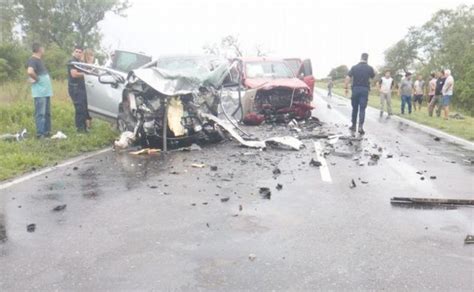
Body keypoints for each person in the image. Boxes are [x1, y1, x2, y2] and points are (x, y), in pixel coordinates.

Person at [26, 43, 53, 139]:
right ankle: (40, 134)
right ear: (39, 49)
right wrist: (37, 79)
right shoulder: (33, 60)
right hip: (40, 92)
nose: (44, 50)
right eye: (43, 48)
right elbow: (30, 71)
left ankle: (47, 132)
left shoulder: (39, 60)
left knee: (47, 113)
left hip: (46, 91)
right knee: (41, 113)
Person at [344, 53, 375, 135]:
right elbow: (373, 77)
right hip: (364, 90)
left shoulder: (354, 67)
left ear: (360, 58)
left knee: (355, 108)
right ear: (367, 59)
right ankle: (360, 126)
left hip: (355, 89)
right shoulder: (370, 68)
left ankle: (353, 125)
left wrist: (346, 88)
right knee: (362, 109)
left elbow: (347, 77)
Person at [67, 45, 88, 132]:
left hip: (81, 88)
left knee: (83, 108)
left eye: (80, 52)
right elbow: (74, 74)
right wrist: (86, 73)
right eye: (77, 51)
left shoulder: (80, 62)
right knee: (79, 108)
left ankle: (84, 128)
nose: (78, 53)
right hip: (75, 88)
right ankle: (79, 129)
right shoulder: (72, 62)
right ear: (73, 52)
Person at [83, 48, 95, 130]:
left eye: (92, 55)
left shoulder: (92, 65)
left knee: (90, 107)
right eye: (90, 55)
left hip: (92, 88)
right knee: (85, 108)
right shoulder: (84, 65)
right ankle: (87, 126)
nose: (91, 57)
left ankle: (89, 125)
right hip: (85, 88)